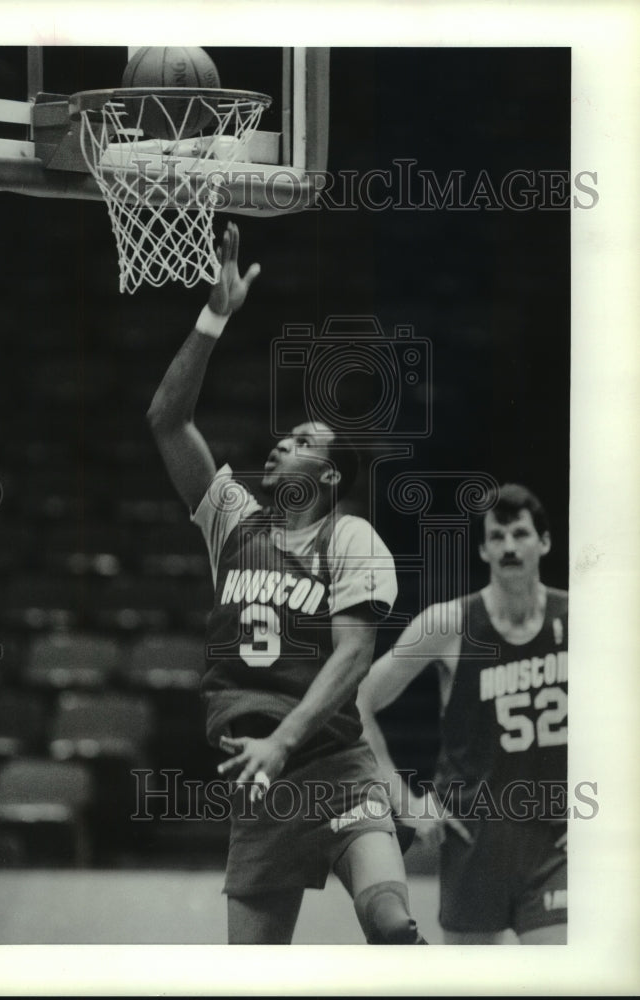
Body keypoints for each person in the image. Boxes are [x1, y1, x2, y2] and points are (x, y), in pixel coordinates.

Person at [147, 221, 426, 945]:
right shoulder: (232, 520)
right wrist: (215, 316)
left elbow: (351, 657)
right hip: (259, 781)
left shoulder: (351, 537)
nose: (281, 442)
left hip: (332, 764)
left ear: (330, 476)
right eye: (286, 435)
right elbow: (166, 419)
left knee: (390, 922)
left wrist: (284, 740)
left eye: (303, 441)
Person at [357, 483, 568, 944]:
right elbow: (356, 703)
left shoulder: (581, 619)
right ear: (483, 549)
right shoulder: (447, 625)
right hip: (475, 841)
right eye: (497, 537)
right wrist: (404, 800)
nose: (509, 547)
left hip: (556, 841)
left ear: (545, 542)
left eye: (520, 534)